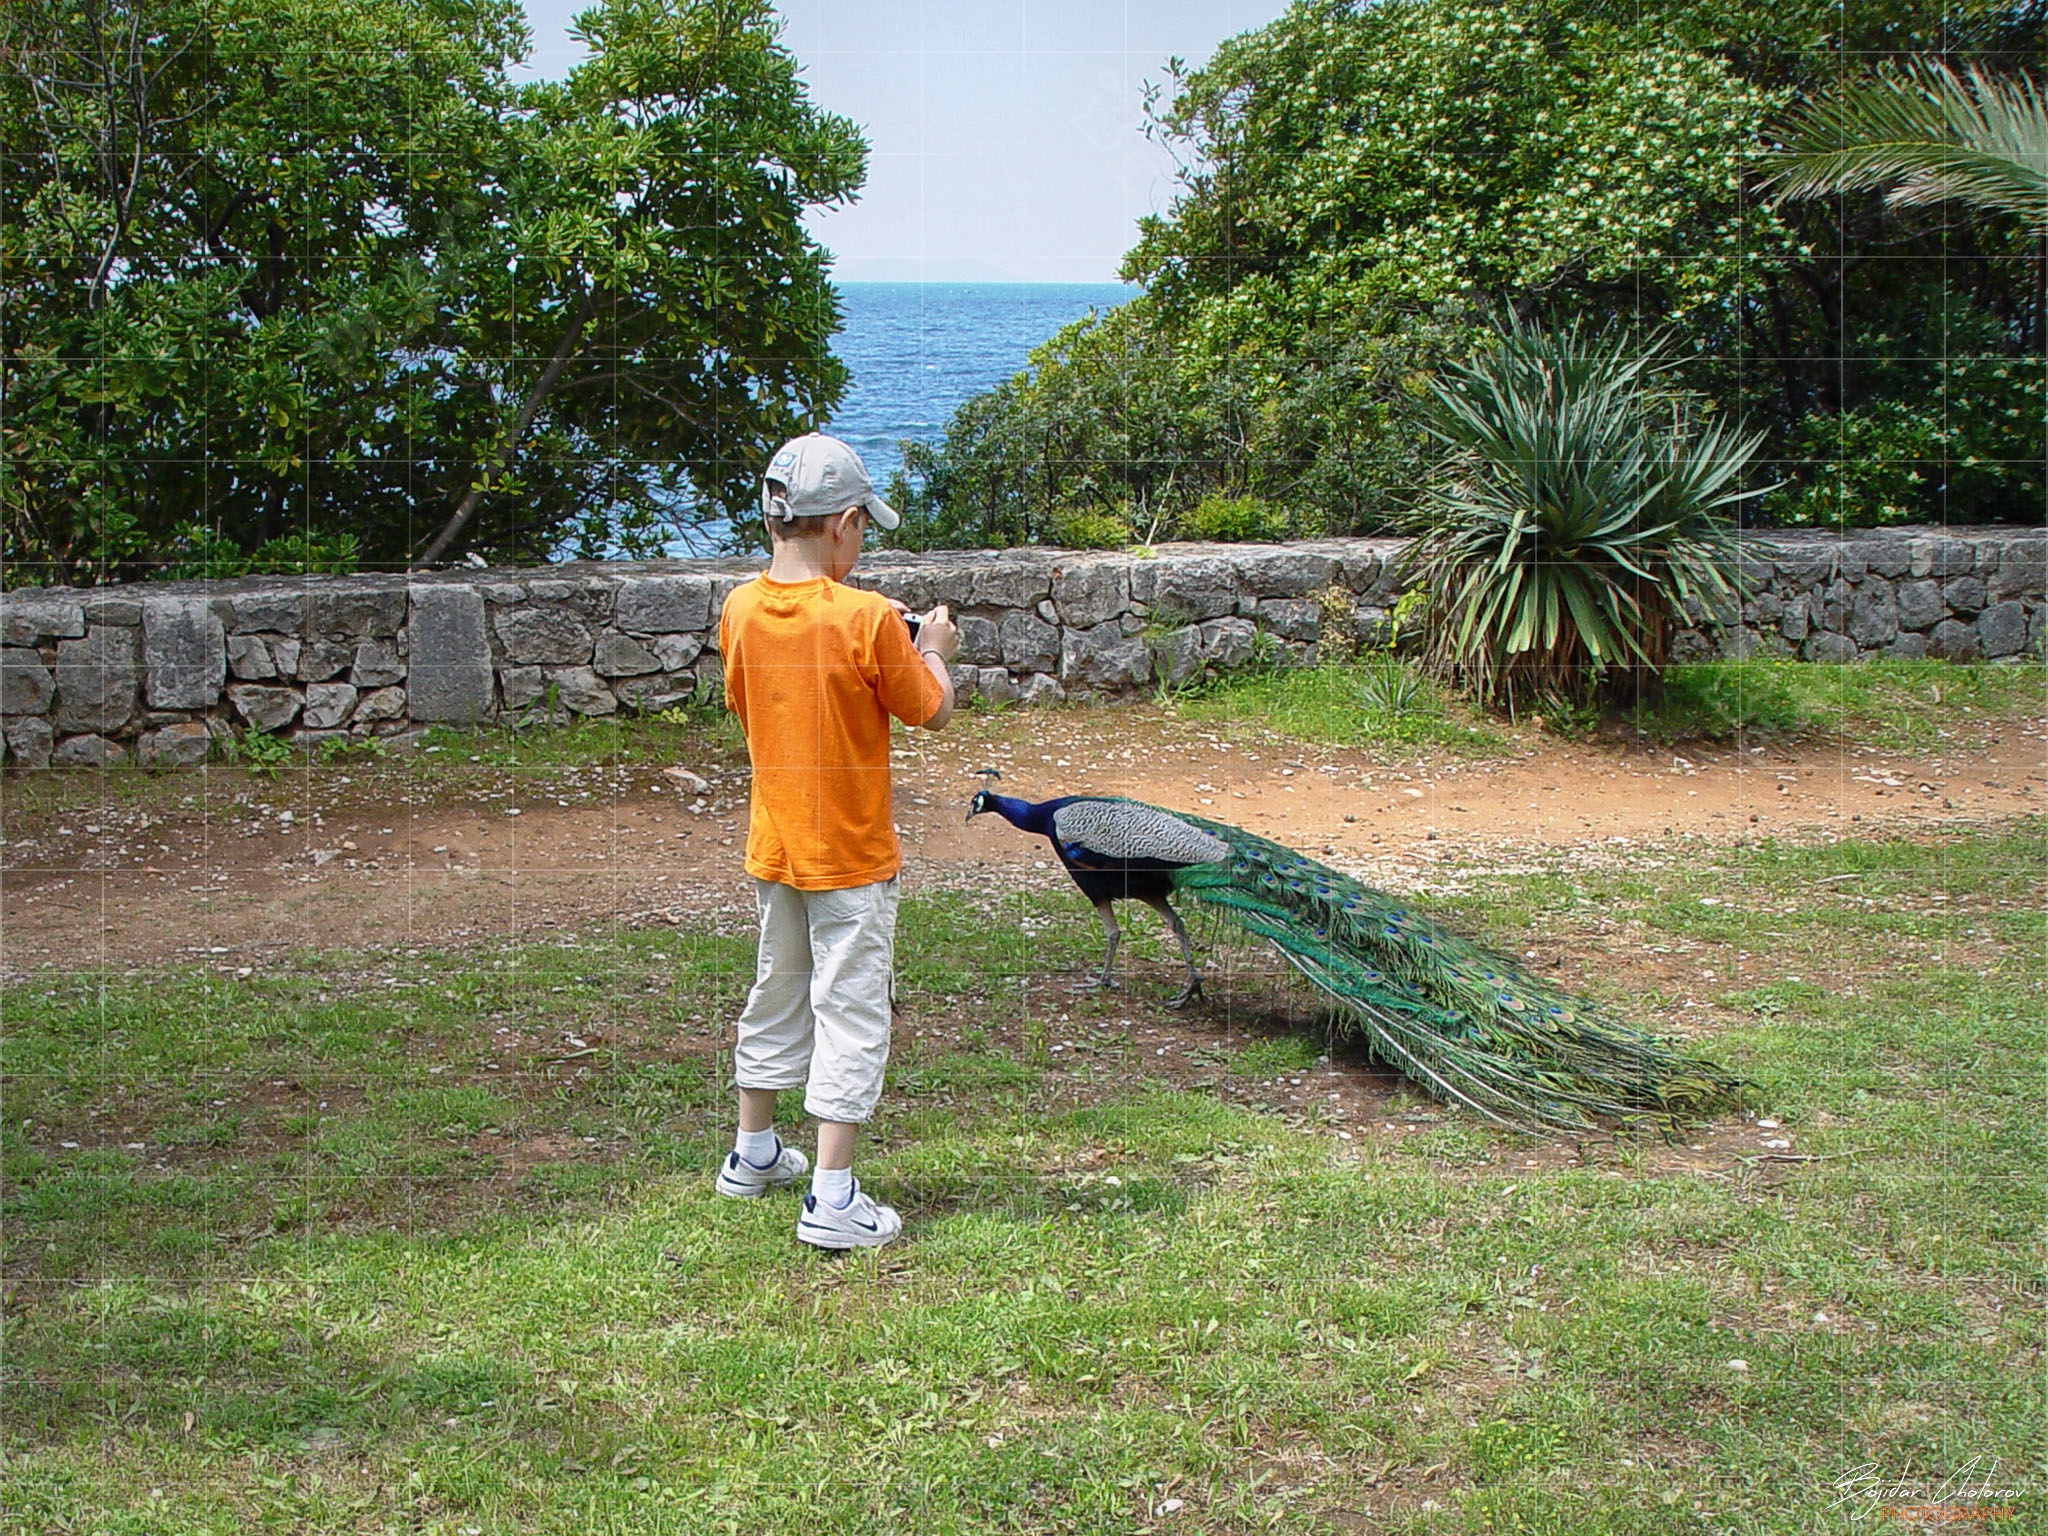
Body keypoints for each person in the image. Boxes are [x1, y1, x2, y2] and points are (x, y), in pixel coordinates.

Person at [712, 433, 959, 1250]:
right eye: (864, 530)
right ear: (846, 523)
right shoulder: (864, 619)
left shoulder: (739, 608)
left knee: (777, 991)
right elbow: (929, 706)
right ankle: (832, 1199)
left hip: (777, 847)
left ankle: (752, 1154)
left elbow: (753, 697)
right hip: (851, 856)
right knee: (851, 1011)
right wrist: (929, 648)